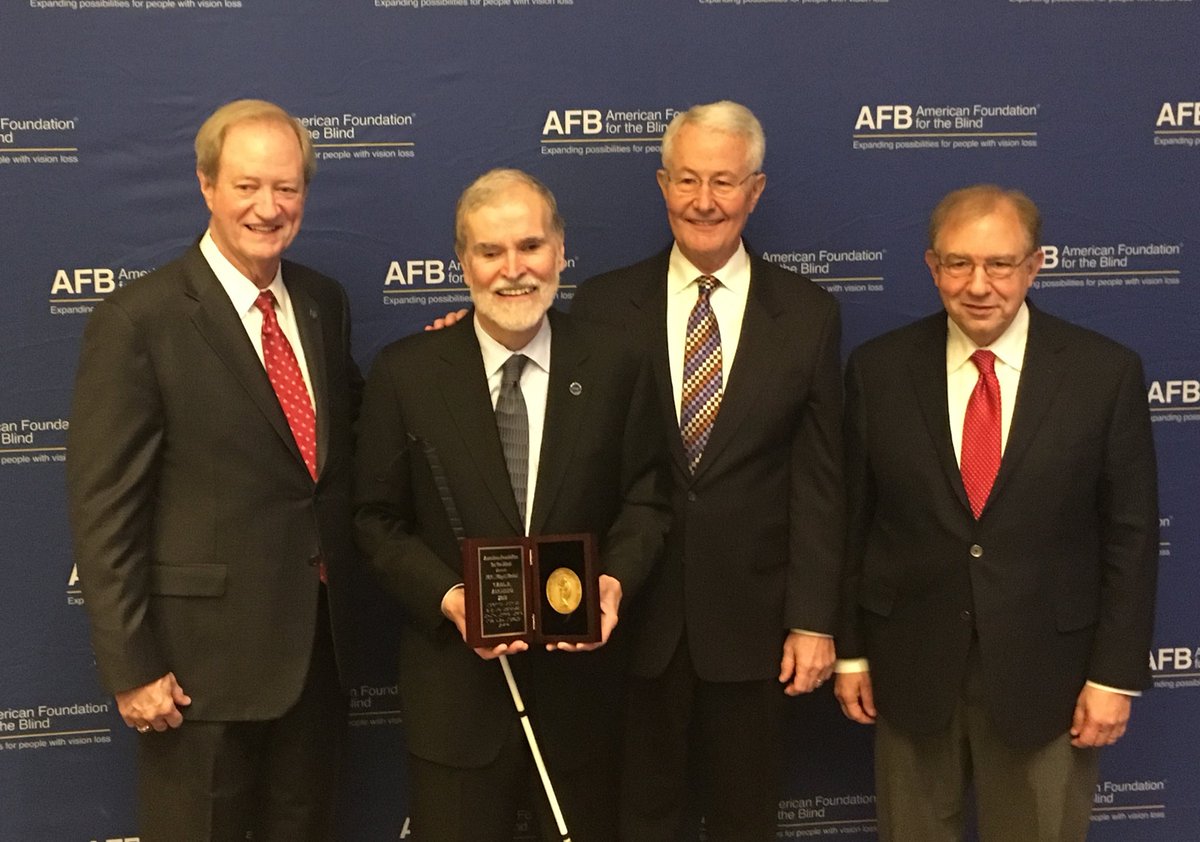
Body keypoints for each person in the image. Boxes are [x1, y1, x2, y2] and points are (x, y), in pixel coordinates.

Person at [67, 99, 362, 842]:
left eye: (288, 188)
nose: (270, 207)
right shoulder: (141, 320)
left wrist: (452, 354)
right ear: (206, 185)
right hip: (194, 679)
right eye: (247, 186)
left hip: (314, 663)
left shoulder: (324, 303)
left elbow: (350, 436)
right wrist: (131, 668)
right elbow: (105, 510)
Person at [834, 184, 1158, 842]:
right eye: (958, 264)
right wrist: (850, 656)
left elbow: (1131, 539)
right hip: (911, 671)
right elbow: (851, 524)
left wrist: (1114, 675)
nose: (978, 285)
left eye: (1000, 265)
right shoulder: (878, 371)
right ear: (932, 267)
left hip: (1051, 682)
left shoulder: (1104, 374)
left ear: (1035, 266)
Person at [353, 168, 670, 841]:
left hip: (582, 700)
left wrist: (612, 583)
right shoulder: (406, 374)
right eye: (490, 252)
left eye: (530, 246)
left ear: (561, 252)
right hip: (456, 704)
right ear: (463, 262)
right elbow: (375, 521)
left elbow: (646, 499)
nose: (513, 270)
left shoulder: (617, 364)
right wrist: (447, 598)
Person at [570, 100, 845, 841]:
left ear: (756, 191)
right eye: (687, 179)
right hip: (631, 618)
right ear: (662, 184)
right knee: (638, 817)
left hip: (754, 625)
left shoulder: (810, 315)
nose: (703, 201)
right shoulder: (599, 306)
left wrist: (815, 619)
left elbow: (821, 483)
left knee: (744, 820)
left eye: (724, 182)